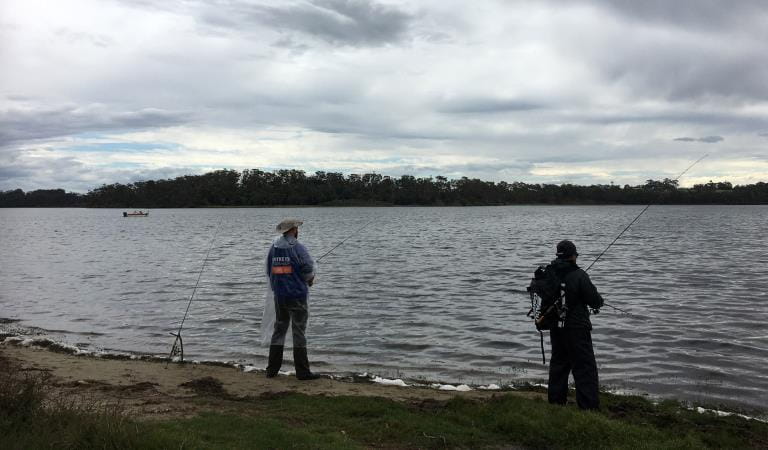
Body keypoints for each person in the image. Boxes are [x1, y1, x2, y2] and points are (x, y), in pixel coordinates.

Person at [547, 240, 603, 410]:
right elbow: (594, 300)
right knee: (584, 368)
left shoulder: (549, 272)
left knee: (559, 364)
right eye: (576, 255)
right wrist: (600, 302)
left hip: (556, 327)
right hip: (577, 328)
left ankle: (556, 404)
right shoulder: (579, 275)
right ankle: (589, 408)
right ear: (573, 256)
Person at [265, 218, 320, 380]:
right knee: (299, 332)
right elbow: (308, 268)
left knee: (279, 329)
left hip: (279, 295)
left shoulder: (274, 248)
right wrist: (310, 279)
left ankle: (272, 370)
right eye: (296, 228)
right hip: (297, 295)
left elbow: (269, 270)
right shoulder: (298, 247)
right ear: (293, 230)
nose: (298, 230)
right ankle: (302, 372)